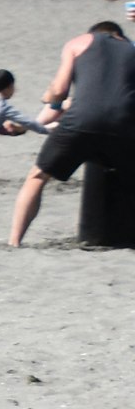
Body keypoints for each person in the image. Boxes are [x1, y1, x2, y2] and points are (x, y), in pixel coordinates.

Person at [10, 21, 130, 245]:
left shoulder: (78, 42)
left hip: (82, 120)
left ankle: (14, 241)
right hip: (124, 123)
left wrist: (50, 99)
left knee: (37, 177)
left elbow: (59, 90)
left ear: (92, 34)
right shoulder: (132, 49)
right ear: (120, 36)